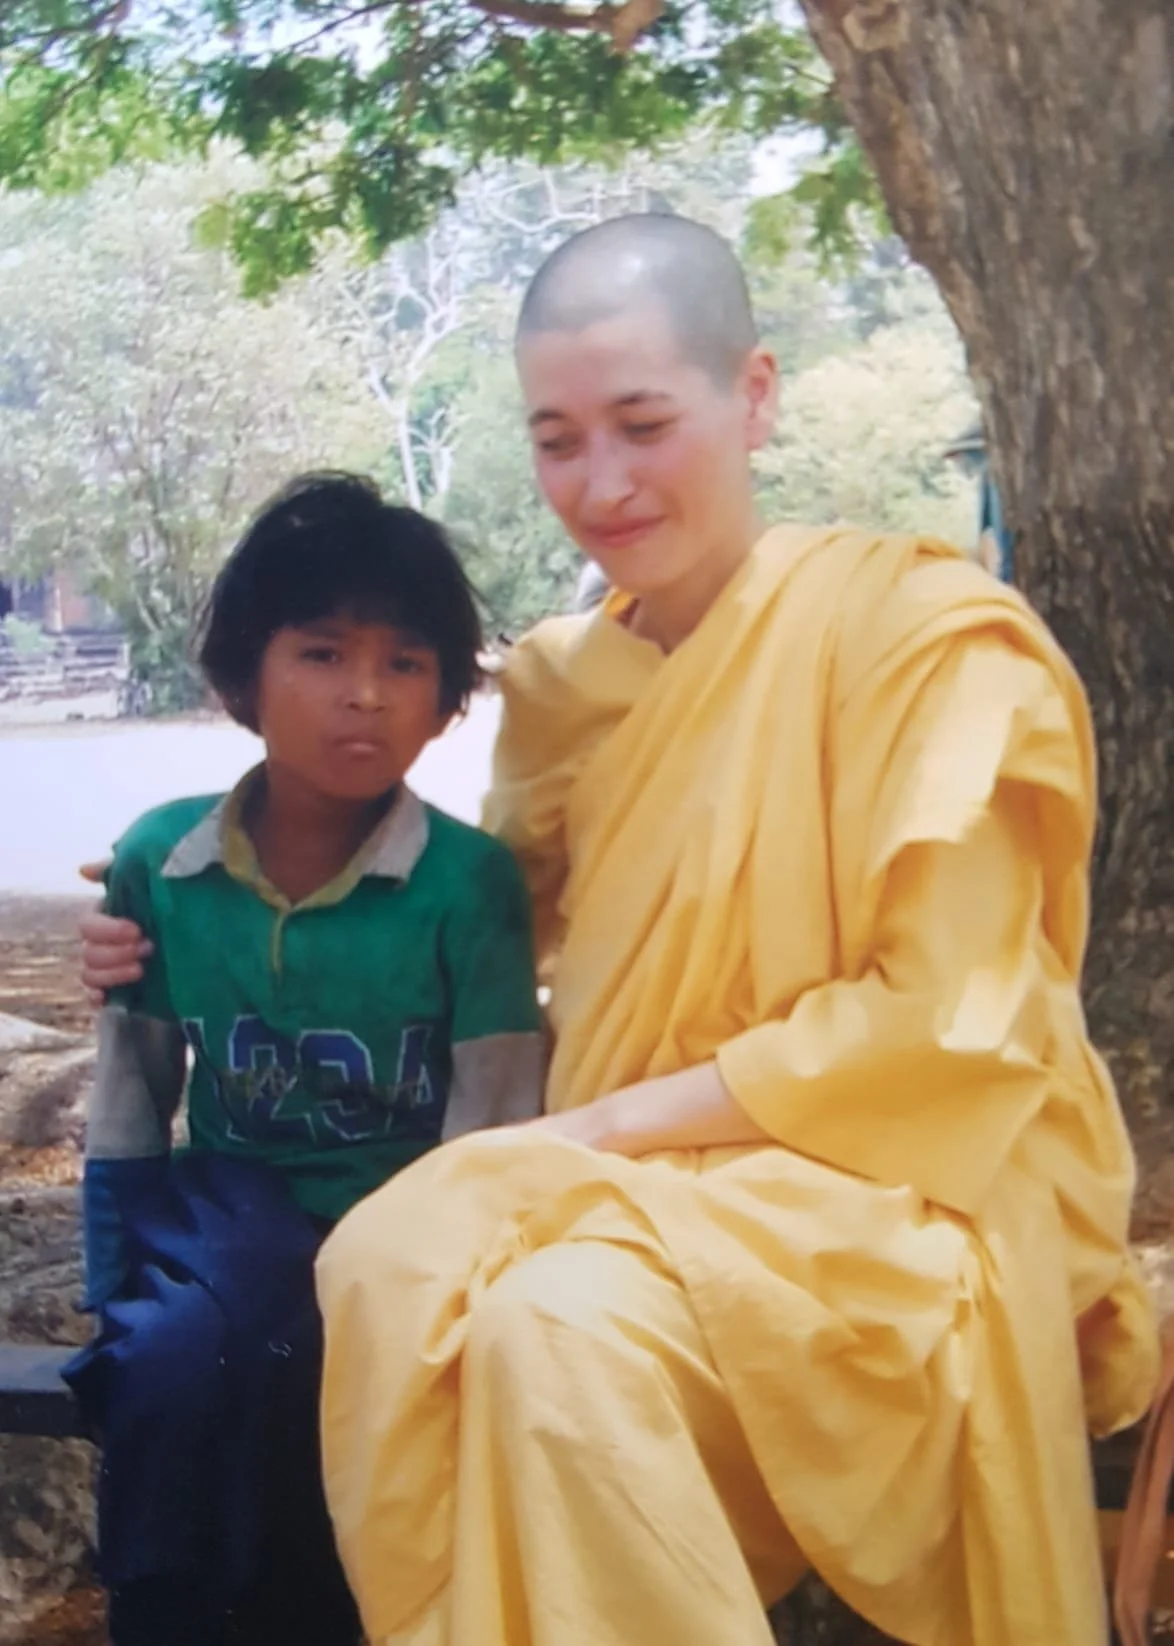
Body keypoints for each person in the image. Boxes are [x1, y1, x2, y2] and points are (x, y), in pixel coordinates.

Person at [81, 220, 1159, 1646]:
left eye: (643, 425)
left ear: (755, 395)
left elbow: (939, 1026)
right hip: (638, 1177)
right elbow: (471, 913)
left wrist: (580, 1139)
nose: (602, 484)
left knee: (551, 1327)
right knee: (404, 1269)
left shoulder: (926, 638)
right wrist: (192, 891)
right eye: (556, 440)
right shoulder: (565, 684)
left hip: (888, 1176)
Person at [69, 473, 544, 1646]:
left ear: (445, 701)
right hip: (223, 1226)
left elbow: (487, 1128)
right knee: (171, 1366)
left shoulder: (465, 884)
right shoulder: (160, 864)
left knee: (353, 1397)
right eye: (323, 653)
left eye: (405, 663)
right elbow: (134, 1095)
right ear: (243, 677)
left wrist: (449, 1291)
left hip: (405, 1237)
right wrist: (110, 1277)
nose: (365, 696)